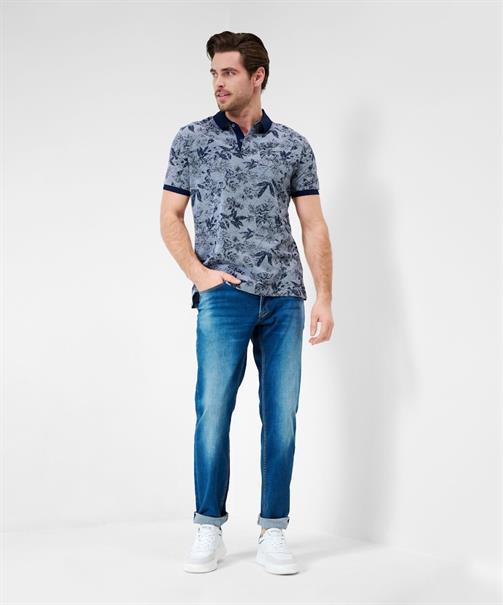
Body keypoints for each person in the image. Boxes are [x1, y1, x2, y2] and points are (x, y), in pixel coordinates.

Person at [160, 31, 334, 575]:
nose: (218, 82)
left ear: (257, 76)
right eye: (214, 73)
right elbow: (169, 217)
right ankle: (208, 527)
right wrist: (200, 276)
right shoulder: (191, 140)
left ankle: (273, 530)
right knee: (212, 412)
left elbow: (313, 224)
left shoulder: (293, 145)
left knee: (281, 417)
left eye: (229, 72)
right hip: (223, 297)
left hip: (284, 299)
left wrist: (324, 296)